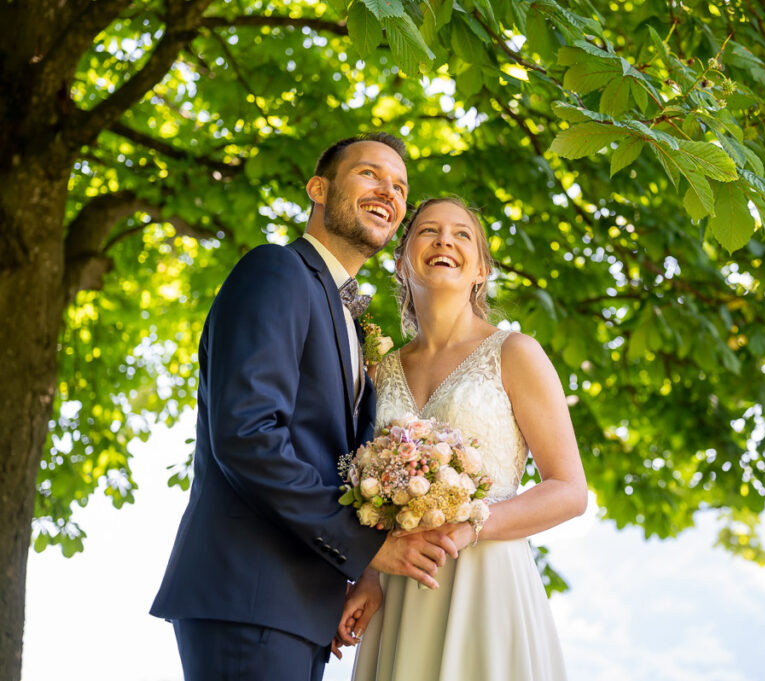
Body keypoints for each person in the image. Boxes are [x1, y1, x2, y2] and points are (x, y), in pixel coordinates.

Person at [150, 133, 459, 681]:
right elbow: (247, 435)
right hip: (249, 591)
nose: (388, 190)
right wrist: (367, 548)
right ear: (318, 188)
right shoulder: (276, 271)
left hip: (297, 605)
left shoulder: (350, 317)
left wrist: (352, 575)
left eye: (400, 186)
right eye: (370, 174)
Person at [344, 197, 589, 681]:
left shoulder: (515, 352)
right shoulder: (375, 369)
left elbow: (569, 490)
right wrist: (368, 573)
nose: (444, 241)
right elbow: (360, 493)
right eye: (428, 231)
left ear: (481, 269)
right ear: (400, 261)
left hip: (486, 578)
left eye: (462, 235)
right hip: (400, 589)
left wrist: (471, 526)